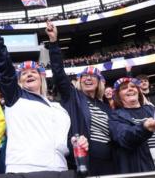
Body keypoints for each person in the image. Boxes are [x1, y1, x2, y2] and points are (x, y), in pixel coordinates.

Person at [0, 5, 87, 173]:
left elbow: (62, 141)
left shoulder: (58, 107)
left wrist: (75, 143)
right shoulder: (15, 97)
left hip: (59, 169)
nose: (29, 74)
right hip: (24, 168)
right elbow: (4, 63)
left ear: (42, 77)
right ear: (19, 80)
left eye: (33, 72)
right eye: (23, 73)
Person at [46, 20, 116, 175]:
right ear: (79, 81)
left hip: (109, 162)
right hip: (83, 160)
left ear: (100, 83)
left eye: (93, 77)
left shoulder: (105, 106)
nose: (88, 79)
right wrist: (53, 42)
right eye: (84, 76)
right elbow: (58, 72)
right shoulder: (72, 96)